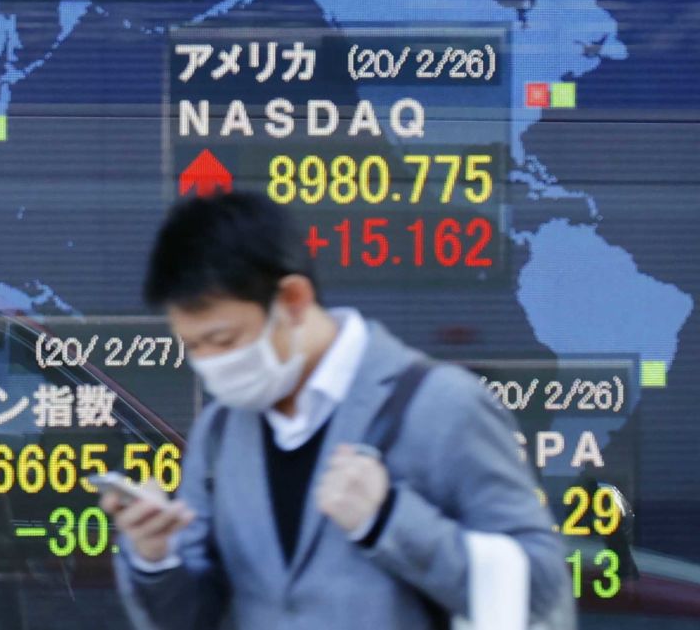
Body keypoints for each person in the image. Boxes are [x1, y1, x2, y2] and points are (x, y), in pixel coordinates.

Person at [105, 191, 573, 630]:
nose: (211, 363)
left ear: (293, 300)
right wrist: (154, 555)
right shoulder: (222, 430)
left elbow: (541, 585)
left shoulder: (442, 404)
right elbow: (190, 616)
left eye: (224, 340)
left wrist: (389, 520)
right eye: (194, 346)